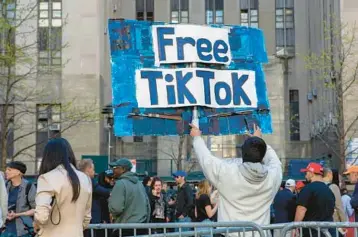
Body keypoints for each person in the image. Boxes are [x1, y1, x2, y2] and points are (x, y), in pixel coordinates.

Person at [190, 124, 282, 232]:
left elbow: (206, 160)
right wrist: (258, 142)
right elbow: (275, 162)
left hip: (230, 233)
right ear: (262, 155)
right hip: (259, 233)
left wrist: (197, 138)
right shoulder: (272, 177)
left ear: (242, 153)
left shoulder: (227, 173)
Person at [33, 138, 92, 237]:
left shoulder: (46, 178)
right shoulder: (85, 179)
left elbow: (41, 216)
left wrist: (37, 224)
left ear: (48, 156)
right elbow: (86, 218)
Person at [108, 158, 150, 237]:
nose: (113, 170)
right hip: (142, 227)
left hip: (124, 228)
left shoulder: (120, 184)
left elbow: (116, 208)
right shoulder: (139, 184)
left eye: (115, 168)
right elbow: (147, 205)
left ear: (123, 169)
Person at [294, 163, 335, 237]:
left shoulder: (308, 188)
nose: (305, 175)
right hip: (328, 231)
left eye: (306, 173)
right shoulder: (329, 190)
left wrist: (295, 227)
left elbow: (301, 209)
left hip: (312, 231)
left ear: (311, 173)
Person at [79, 159, 111, 237]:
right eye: (93, 169)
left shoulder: (78, 179)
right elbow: (100, 190)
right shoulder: (88, 180)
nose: (94, 172)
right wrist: (112, 193)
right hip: (90, 219)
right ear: (88, 169)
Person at [4, 161, 36, 237]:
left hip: (23, 231)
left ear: (18, 172)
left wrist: (17, 215)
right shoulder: (4, 186)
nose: (6, 172)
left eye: (9, 170)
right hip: (5, 230)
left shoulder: (29, 186)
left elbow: (36, 209)